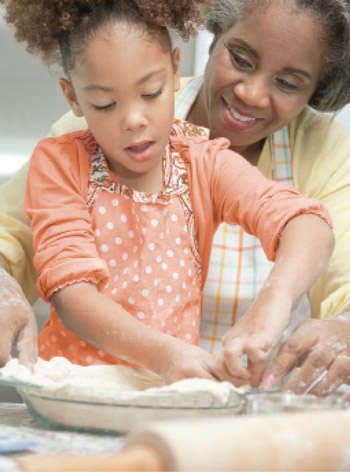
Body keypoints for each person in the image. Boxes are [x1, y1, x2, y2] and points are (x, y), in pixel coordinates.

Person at [0, 0, 349, 392]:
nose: (133, 119)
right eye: (105, 104)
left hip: (175, 392)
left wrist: (273, 301)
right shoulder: (63, 159)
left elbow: (307, 222)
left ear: (175, 70)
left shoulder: (202, 159)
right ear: (74, 99)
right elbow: (70, 291)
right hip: (74, 388)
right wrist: (166, 355)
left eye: (151, 92)